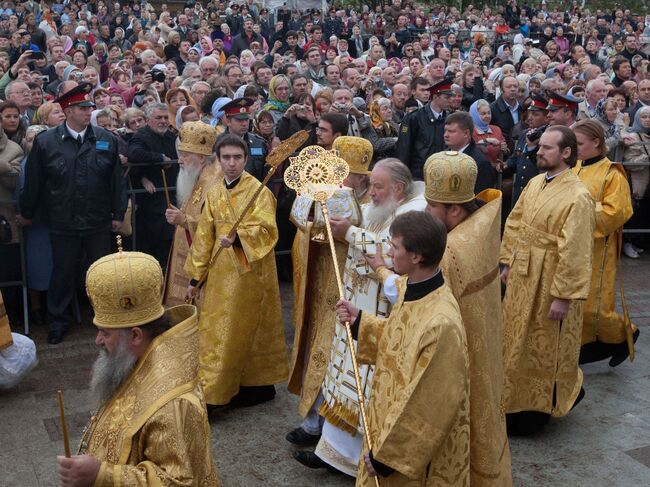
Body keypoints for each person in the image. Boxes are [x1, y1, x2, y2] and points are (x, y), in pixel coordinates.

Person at [366, 151, 513, 486]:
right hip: (479, 351)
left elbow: (416, 299)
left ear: (455, 210)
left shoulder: (451, 251)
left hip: (446, 362)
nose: (425, 211)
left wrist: (380, 270)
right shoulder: (482, 225)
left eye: (431, 205)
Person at [295, 159, 426, 476]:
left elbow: (391, 253)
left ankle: (356, 463)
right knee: (344, 378)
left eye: (378, 186)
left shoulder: (413, 212)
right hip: (356, 304)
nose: (372, 192)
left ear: (397, 187)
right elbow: (356, 228)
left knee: (364, 384)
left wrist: (350, 232)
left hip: (379, 312)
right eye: (372, 185)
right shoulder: (377, 206)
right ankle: (331, 453)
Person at [58, 250, 219, 486]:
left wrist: (102, 475)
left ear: (135, 335)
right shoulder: (134, 361)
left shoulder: (174, 403)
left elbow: (180, 481)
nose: (98, 341)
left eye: (105, 333)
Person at [335, 211, 470, 486]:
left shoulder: (441, 323)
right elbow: (399, 337)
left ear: (416, 256)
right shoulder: (412, 285)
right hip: (387, 420)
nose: (389, 252)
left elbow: (429, 402)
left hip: (408, 451)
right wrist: (360, 320)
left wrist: (387, 456)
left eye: (394, 246)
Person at [500, 125, 595, 435]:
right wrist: (506, 261)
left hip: (550, 281)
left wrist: (563, 296)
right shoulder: (538, 182)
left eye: (546, 148)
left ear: (566, 153)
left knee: (543, 345)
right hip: (522, 275)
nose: (538, 152)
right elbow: (516, 221)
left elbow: (577, 249)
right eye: (539, 147)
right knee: (516, 340)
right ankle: (511, 399)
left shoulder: (578, 195)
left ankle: (536, 410)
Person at [185, 135, 288, 409]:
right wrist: (196, 277)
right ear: (218, 160)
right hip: (219, 274)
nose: (231, 163)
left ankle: (220, 395)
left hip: (249, 272)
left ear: (245, 159)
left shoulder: (259, 191)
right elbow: (205, 236)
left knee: (236, 330)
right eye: (226, 158)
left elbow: (268, 231)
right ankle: (227, 387)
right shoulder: (215, 192)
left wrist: (240, 238)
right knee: (219, 330)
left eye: (237, 158)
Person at [19, 83, 127, 344]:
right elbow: (34, 182)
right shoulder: (46, 142)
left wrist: (118, 213)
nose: (88, 111)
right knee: (63, 272)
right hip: (63, 219)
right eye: (82, 108)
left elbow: (116, 182)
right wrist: (27, 212)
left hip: (97, 218)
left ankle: (108, 318)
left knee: (101, 272)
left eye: (89, 107)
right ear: (68, 111)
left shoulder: (106, 139)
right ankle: (58, 321)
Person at [286, 137, 371, 447]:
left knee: (344, 357)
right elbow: (300, 221)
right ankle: (313, 423)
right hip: (322, 286)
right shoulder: (323, 191)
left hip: (355, 291)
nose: (350, 179)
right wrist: (314, 223)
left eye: (356, 174)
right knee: (318, 351)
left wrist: (346, 231)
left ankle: (335, 433)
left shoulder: (372, 203)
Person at [572, 120, 637, 367]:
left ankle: (625, 332)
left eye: (579, 143)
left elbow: (616, 212)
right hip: (571, 247)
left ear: (596, 142)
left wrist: (575, 212)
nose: (574, 149)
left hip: (598, 249)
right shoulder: (574, 167)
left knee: (594, 307)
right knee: (575, 302)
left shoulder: (612, 173)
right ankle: (584, 345)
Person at [163, 121, 221, 308]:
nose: (179, 160)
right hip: (186, 248)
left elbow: (217, 224)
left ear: (202, 159)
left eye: (185, 156)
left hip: (203, 258)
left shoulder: (214, 182)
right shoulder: (197, 174)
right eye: (180, 155)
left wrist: (183, 220)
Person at [127, 102, 178, 269]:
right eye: (159, 118)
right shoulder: (141, 136)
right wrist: (159, 158)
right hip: (151, 201)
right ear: (149, 120)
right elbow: (134, 154)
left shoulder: (172, 136)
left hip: (172, 194)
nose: (163, 121)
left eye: (165, 117)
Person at [396, 78, 454, 180]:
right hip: (419, 176)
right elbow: (404, 149)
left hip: (443, 175)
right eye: (447, 97)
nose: (451, 100)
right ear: (436, 97)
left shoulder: (450, 118)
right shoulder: (414, 118)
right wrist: (403, 177)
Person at [504, 95, 548, 207]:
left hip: (536, 192)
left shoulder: (547, 137)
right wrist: (506, 165)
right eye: (529, 113)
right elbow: (516, 157)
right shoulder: (525, 134)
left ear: (547, 117)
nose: (530, 118)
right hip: (520, 191)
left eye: (536, 114)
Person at [443, 111, 497, 193]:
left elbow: (481, 198)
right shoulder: (442, 156)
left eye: (451, 131)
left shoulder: (479, 163)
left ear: (466, 133)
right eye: (445, 131)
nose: (445, 135)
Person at [216, 98, 268, 181]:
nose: (244, 124)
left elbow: (266, 175)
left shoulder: (258, 143)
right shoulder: (216, 143)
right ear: (228, 121)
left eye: (246, 119)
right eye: (239, 120)